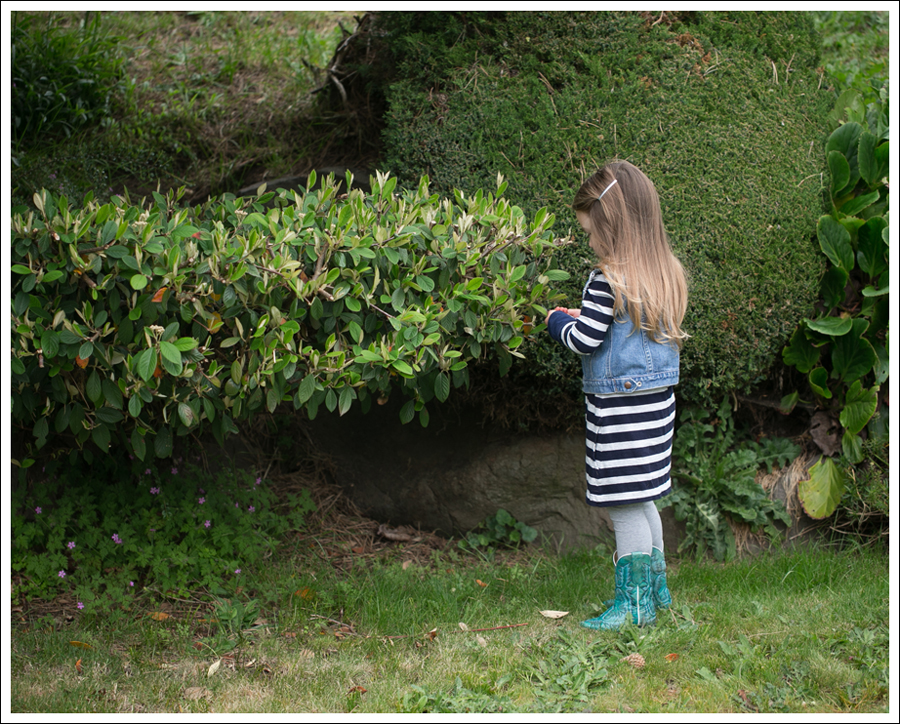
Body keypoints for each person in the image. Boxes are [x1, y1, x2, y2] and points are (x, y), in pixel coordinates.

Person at [545, 160, 688, 630]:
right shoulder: (664, 274)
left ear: (611, 226)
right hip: (655, 411)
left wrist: (557, 321)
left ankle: (632, 606)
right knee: (645, 499)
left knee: (624, 505)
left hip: (621, 413)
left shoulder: (607, 279)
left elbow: (585, 340)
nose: (588, 242)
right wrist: (583, 317)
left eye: (590, 231)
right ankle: (657, 591)